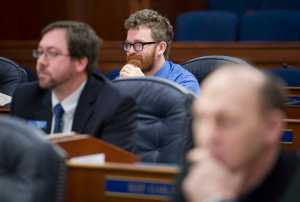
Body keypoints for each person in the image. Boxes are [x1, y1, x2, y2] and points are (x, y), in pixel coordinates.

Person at [173, 65, 300, 202]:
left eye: (226, 121)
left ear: (271, 127)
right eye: (201, 118)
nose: (207, 137)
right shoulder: (197, 172)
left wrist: (214, 199)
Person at [10, 21, 136, 152]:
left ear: (80, 63)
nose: (41, 62)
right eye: (40, 52)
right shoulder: (24, 97)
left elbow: (112, 167)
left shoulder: (113, 104)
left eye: (52, 53)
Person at [119, 9, 200, 94]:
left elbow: (177, 106)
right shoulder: (124, 78)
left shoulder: (184, 82)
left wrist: (142, 85)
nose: (130, 51)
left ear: (161, 48)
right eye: (128, 44)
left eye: (138, 45)